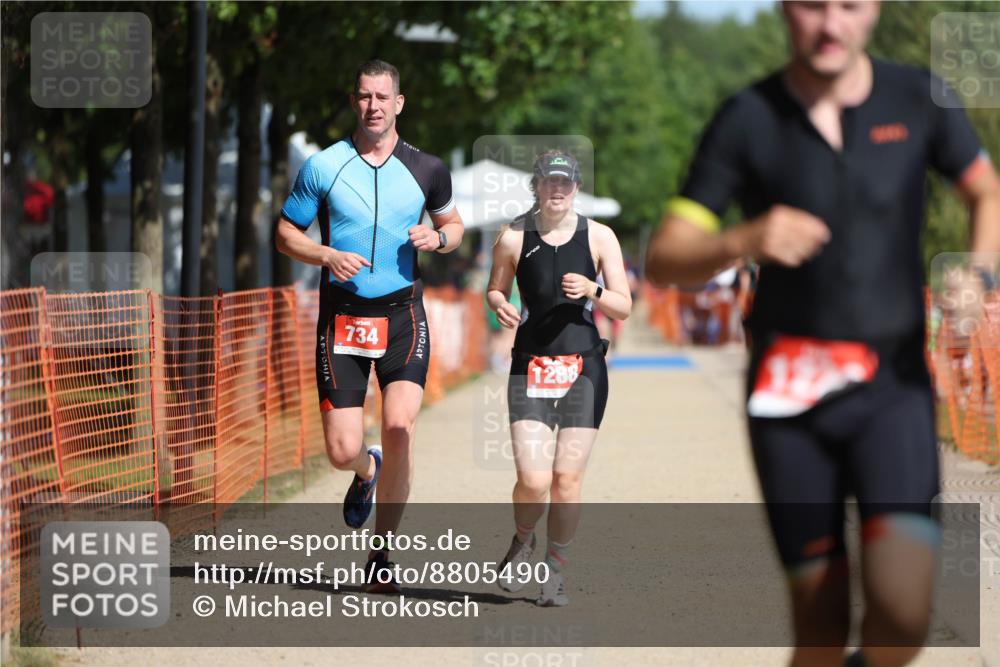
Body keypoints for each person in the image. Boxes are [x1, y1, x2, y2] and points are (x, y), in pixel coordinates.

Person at [645, 2, 1000, 666]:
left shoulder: (918, 97)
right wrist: (744, 238)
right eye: (813, 5)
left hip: (891, 385)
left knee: (902, 614)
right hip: (790, 393)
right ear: (785, 9)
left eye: (850, 5)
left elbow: (986, 191)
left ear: (874, 10)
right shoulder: (747, 118)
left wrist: (975, 276)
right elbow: (667, 254)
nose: (831, 25)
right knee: (821, 625)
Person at [275, 59, 464, 592]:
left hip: (403, 315)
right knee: (340, 450)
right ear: (353, 100)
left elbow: (454, 226)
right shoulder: (324, 166)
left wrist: (440, 240)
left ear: (399, 103)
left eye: (383, 97)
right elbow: (286, 234)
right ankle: (365, 470)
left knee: (401, 426)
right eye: (364, 97)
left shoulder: (427, 169)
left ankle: (383, 555)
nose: (373, 107)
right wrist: (325, 255)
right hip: (343, 320)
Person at [486, 151, 632, 606]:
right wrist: (498, 303)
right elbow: (494, 286)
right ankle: (523, 538)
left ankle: (554, 571)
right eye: (550, 182)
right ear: (537, 185)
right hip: (530, 365)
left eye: (565, 183)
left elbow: (625, 305)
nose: (557, 190)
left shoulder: (600, 237)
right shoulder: (513, 237)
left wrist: (594, 290)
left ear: (576, 186)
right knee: (533, 480)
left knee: (567, 477)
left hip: (583, 368)